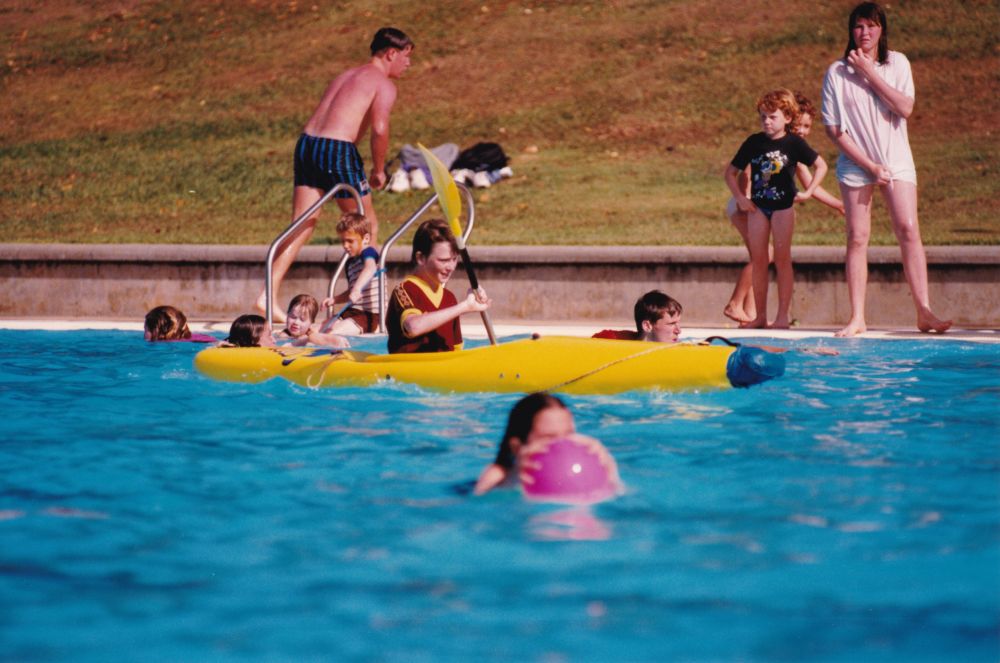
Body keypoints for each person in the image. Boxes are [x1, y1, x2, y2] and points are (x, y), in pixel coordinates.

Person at [256, 27, 414, 323]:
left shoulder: (346, 76)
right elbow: (380, 129)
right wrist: (379, 170)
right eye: (406, 56)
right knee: (368, 226)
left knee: (302, 224)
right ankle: (369, 308)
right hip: (337, 149)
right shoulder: (383, 84)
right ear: (391, 53)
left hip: (308, 144)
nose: (409, 64)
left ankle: (266, 295)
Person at [821, 2, 950, 336]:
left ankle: (924, 311)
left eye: (871, 26)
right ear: (851, 31)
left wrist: (870, 73)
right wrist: (869, 165)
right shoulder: (837, 72)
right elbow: (834, 130)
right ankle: (857, 317)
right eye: (859, 26)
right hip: (856, 164)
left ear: (881, 29)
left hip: (896, 159)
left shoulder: (897, 62)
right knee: (857, 236)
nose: (864, 33)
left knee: (908, 228)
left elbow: (904, 108)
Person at [723, 92, 845, 325]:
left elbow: (820, 166)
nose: (767, 122)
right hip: (757, 208)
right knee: (760, 260)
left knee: (782, 259)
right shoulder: (754, 142)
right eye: (763, 117)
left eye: (772, 117)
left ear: (787, 118)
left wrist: (809, 193)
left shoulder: (794, 144)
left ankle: (781, 316)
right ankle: (759, 316)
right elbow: (733, 172)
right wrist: (741, 197)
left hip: (783, 208)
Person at [474, 392, 621, 496]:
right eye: (548, 437)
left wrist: (609, 469)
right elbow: (478, 509)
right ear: (517, 447)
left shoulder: (584, 459)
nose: (562, 444)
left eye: (568, 434)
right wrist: (513, 480)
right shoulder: (498, 476)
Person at [386, 219, 491, 354]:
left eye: (454, 259)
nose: (451, 267)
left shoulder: (449, 298)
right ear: (421, 258)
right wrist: (465, 307)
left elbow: (457, 350)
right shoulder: (404, 290)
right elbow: (413, 327)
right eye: (443, 260)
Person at [320, 212, 381, 335]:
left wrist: (357, 289)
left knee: (334, 332)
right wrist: (335, 299)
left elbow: (370, 268)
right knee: (321, 328)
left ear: (366, 239)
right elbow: (351, 292)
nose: (345, 246)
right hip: (353, 311)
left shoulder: (369, 253)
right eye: (342, 241)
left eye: (350, 241)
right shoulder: (350, 263)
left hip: (371, 315)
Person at [592, 290, 683, 343]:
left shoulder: (681, 348)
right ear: (647, 326)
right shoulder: (611, 340)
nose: (678, 331)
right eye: (671, 324)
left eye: (678, 323)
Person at [144, 305, 215, 342]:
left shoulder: (160, 345)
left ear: (156, 330)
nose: (144, 335)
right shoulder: (199, 338)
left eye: (146, 330)